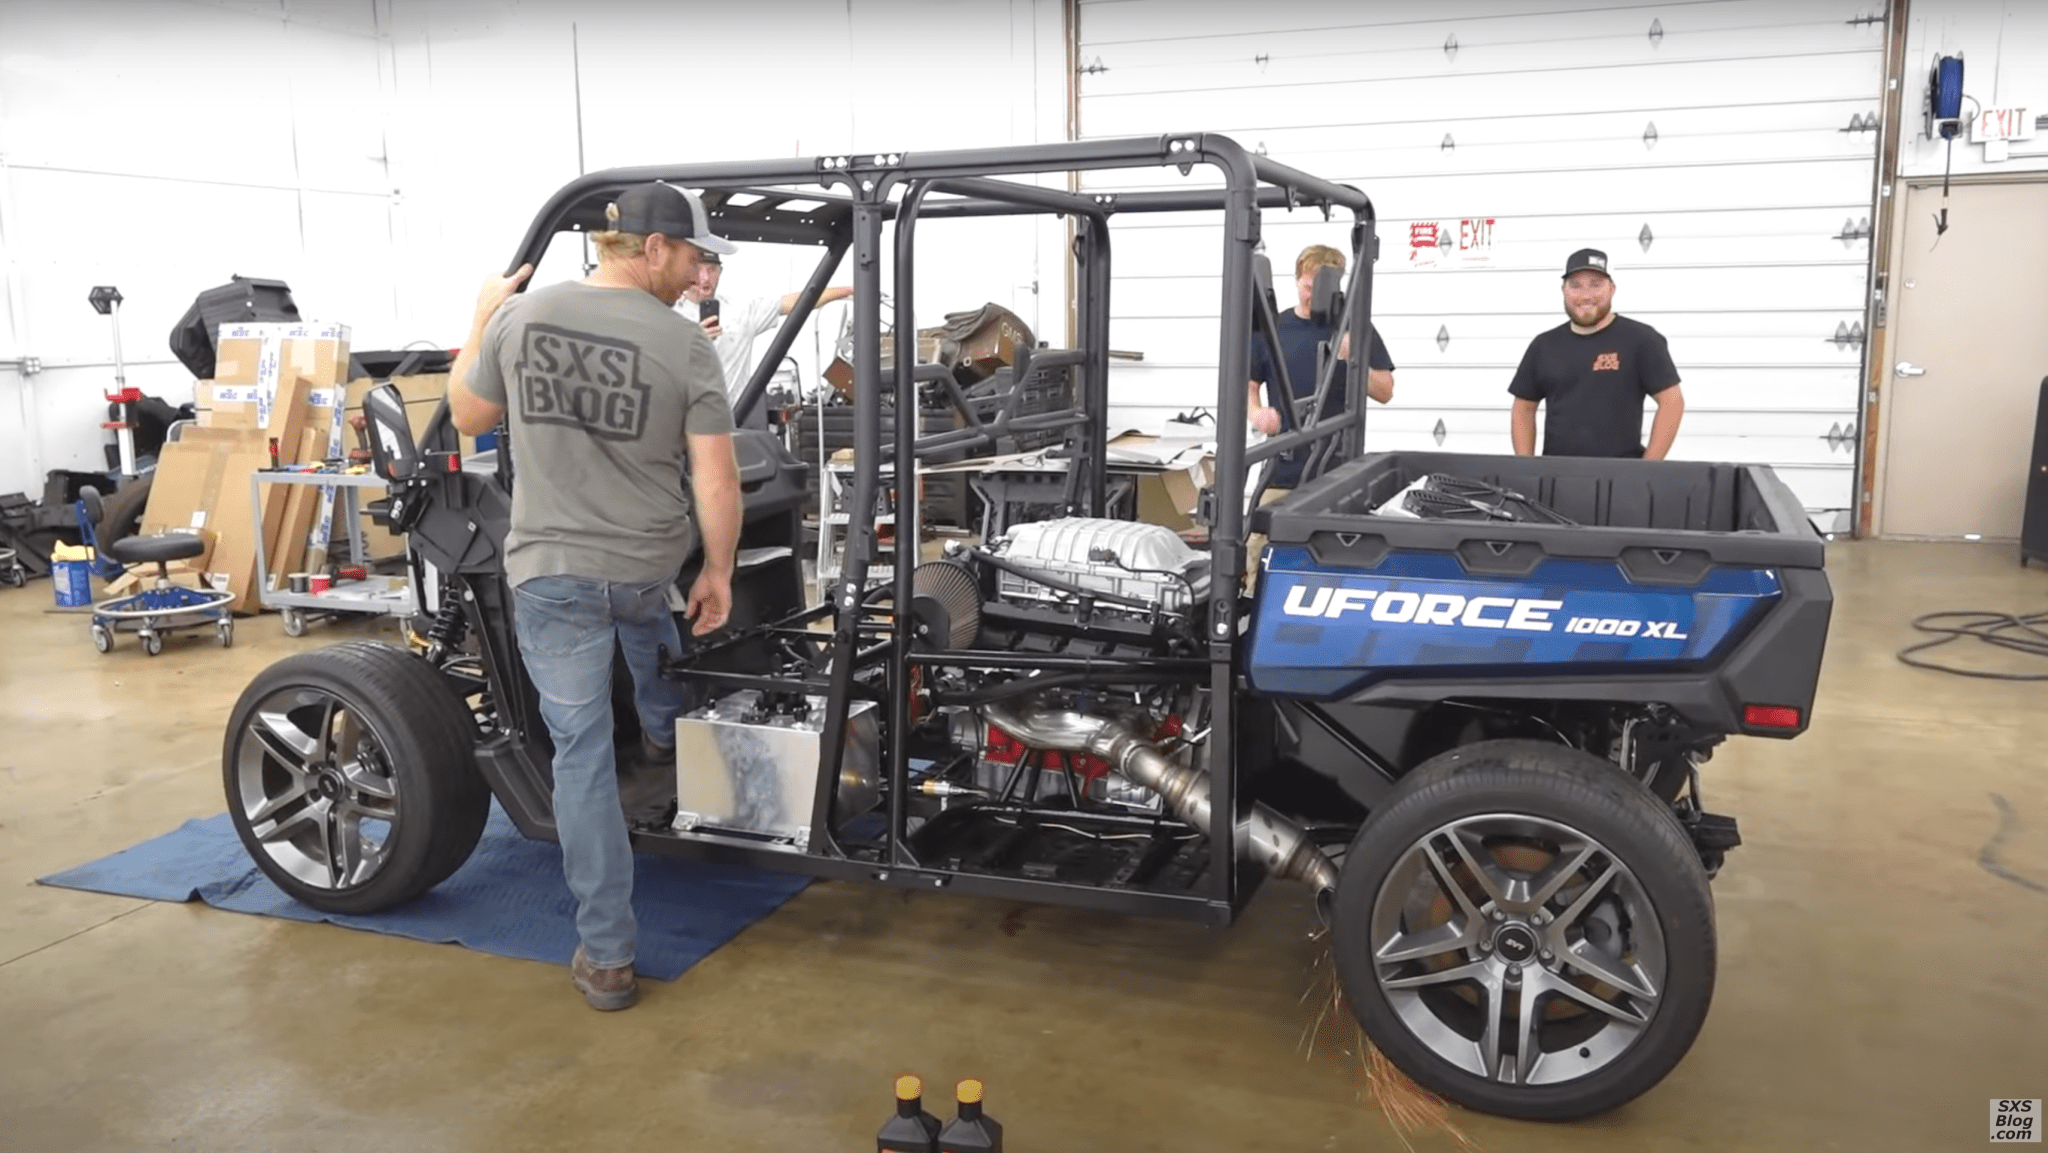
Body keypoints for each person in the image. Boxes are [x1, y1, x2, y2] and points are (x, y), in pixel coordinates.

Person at [448, 182, 743, 1012]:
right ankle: (661, 729)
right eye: (692, 258)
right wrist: (718, 571)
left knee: (578, 752)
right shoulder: (685, 345)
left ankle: (608, 957)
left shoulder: (520, 317)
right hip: (646, 561)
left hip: (552, 570)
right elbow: (715, 477)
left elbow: (467, 414)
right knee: (650, 613)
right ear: (652, 247)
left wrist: (480, 313)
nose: (697, 275)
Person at [1509, 248, 1684, 459]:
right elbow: (1523, 408)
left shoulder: (1641, 339)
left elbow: (1672, 402)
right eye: (1575, 285)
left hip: (1620, 473)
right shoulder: (1544, 345)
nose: (1585, 295)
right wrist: (1526, 468)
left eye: (1595, 284)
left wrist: (1646, 468)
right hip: (1557, 472)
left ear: (1612, 289)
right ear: (1564, 290)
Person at [1247, 243, 1395, 490]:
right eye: (1308, 287)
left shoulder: (1355, 328)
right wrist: (1256, 413)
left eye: (1320, 290)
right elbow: (1249, 384)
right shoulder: (1274, 328)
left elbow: (1385, 392)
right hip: (1281, 475)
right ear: (1297, 280)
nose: (1312, 297)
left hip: (1339, 476)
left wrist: (1355, 360)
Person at [676, 251, 853, 402]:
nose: (706, 278)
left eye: (712, 269)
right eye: (698, 269)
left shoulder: (741, 309)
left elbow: (795, 302)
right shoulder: (668, 313)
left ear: (720, 272)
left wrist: (848, 290)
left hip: (732, 419)